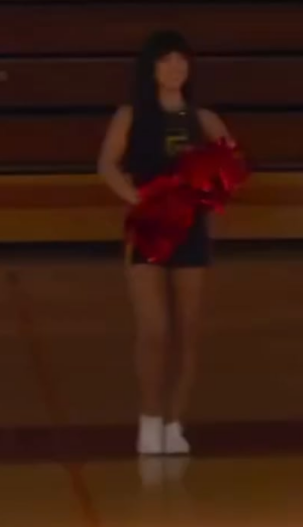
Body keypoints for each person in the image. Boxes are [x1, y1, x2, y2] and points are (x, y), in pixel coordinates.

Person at [97, 30, 231, 457]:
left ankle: (175, 421)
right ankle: (150, 418)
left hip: (191, 232)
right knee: (154, 330)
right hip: (149, 230)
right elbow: (106, 164)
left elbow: (232, 167)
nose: (174, 68)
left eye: (182, 61)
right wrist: (137, 198)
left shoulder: (204, 119)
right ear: (151, 67)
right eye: (165, 60)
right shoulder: (132, 114)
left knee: (187, 332)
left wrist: (210, 191)